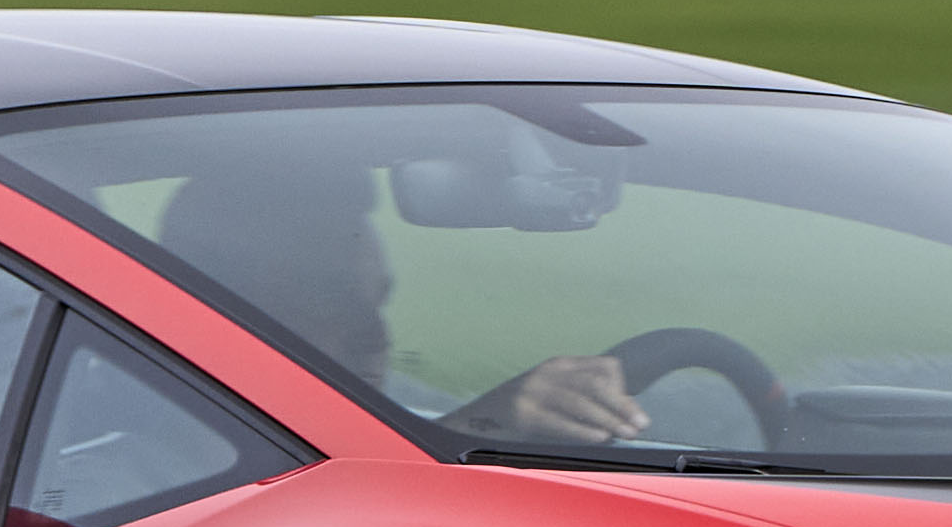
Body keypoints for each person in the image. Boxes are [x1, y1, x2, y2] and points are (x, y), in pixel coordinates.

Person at [148, 164, 649, 445]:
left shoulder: (398, 402)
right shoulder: (124, 455)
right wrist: (486, 425)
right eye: (330, 297)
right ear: (215, 311)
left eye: (379, 299)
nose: (376, 336)